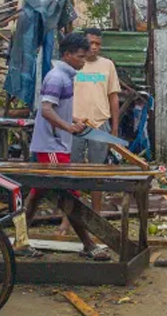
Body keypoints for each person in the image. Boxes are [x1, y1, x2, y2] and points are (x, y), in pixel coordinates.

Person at [22, 32, 112, 261]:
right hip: (52, 146)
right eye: (80, 57)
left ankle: (20, 241)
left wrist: (73, 120)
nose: (84, 61)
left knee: (37, 194)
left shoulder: (65, 76)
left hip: (55, 143)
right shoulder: (57, 78)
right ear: (67, 55)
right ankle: (89, 245)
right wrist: (68, 127)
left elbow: (57, 109)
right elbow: (46, 110)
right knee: (70, 194)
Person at [57, 28, 121, 236]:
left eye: (98, 44)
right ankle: (66, 219)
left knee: (97, 174)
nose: (94, 47)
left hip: (99, 124)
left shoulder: (107, 65)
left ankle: (96, 218)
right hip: (73, 125)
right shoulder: (73, 64)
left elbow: (113, 98)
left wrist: (114, 129)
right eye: (91, 43)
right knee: (71, 174)